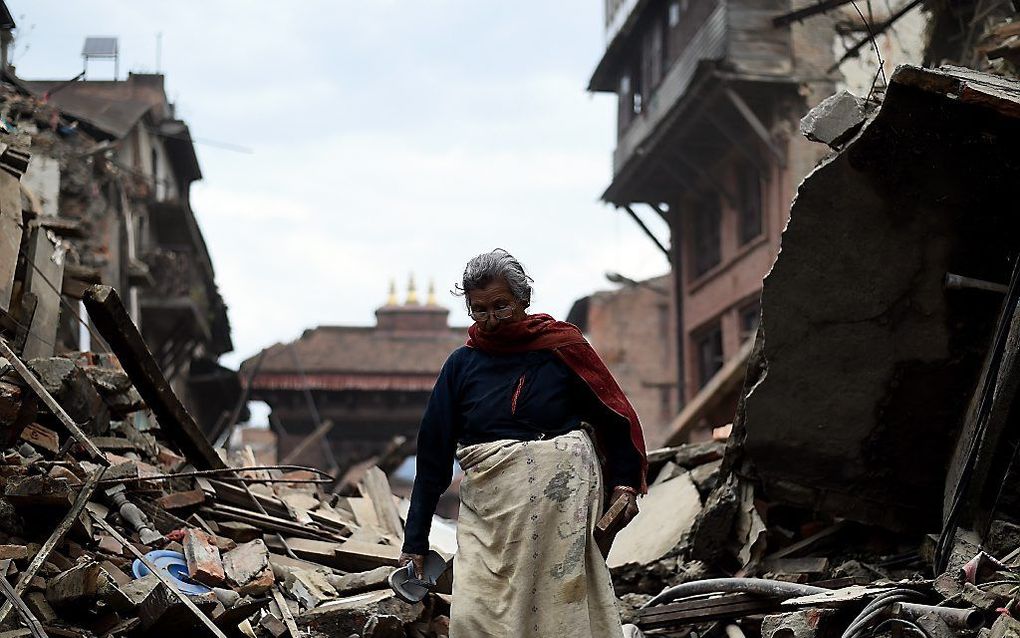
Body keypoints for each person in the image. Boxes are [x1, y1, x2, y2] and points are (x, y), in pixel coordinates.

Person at [400, 248, 648, 638]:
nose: (492, 320)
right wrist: (415, 541)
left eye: (501, 306)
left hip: (560, 513)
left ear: (523, 300)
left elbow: (613, 417)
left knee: (559, 612)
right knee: (476, 612)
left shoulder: (561, 350)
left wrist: (625, 484)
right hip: (489, 512)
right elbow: (433, 457)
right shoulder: (461, 366)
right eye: (479, 310)